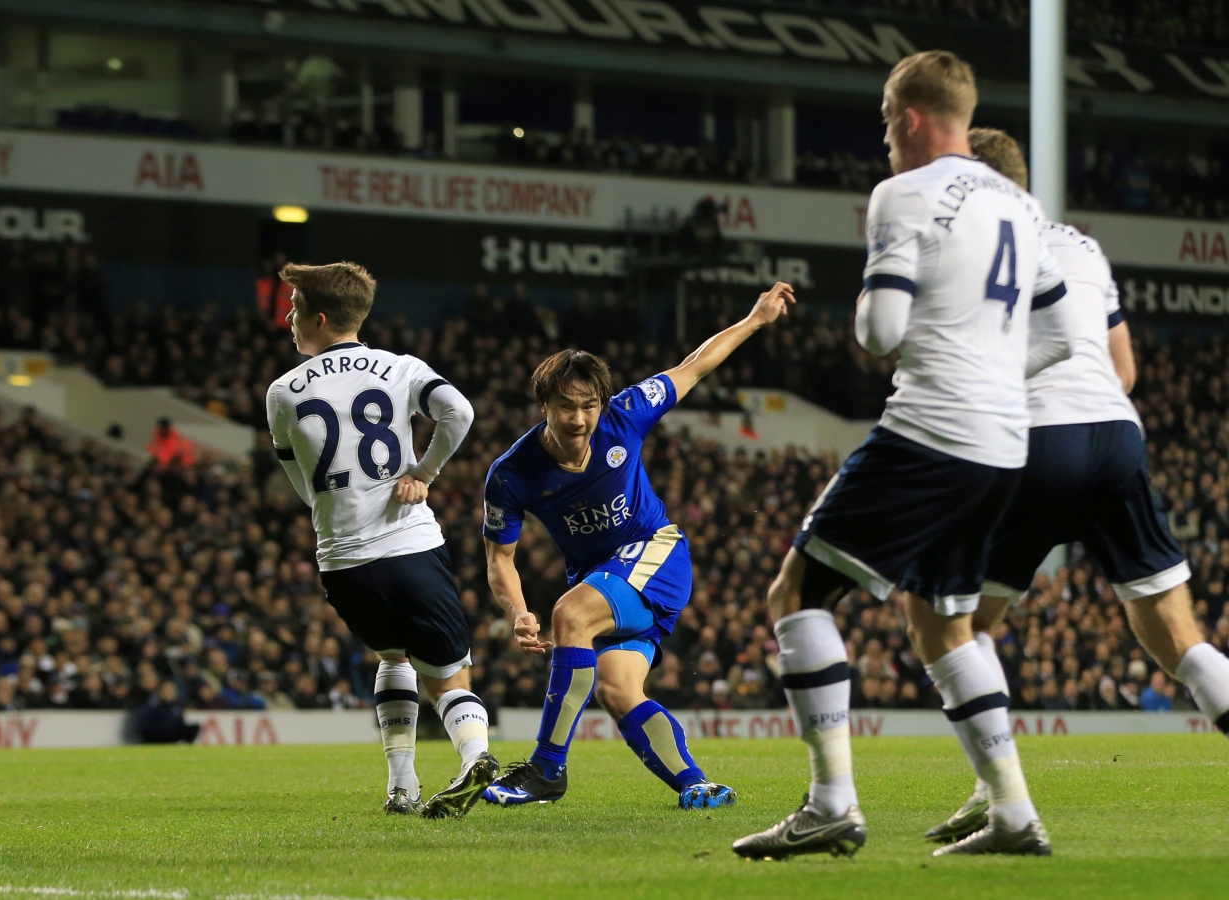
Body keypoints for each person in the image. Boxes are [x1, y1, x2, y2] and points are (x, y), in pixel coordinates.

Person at [732, 51, 1072, 861]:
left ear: (913, 117)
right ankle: (1014, 813)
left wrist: (882, 310)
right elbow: (1060, 335)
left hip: (930, 429)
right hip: (1003, 444)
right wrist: (991, 369)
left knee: (797, 594)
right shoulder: (1023, 207)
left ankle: (830, 805)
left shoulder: (903, 193)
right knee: (942, 621)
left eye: (887, 120)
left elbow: (879, 332)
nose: (885, 138)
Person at [921, 128, 1229, 844]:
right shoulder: (1083, 246)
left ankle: (1000, 797)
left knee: (957, 628)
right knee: (1175, 634)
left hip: (1033, 440)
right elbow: (1125, 370)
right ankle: (990, 795)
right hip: (1116, 436)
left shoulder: (966, 244)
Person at [480, 281, 795, 810]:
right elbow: (499, 559)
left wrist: (756, 319)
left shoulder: (626, 414)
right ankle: (695, 784)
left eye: (589, 406)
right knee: (617, 689)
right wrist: (516, 612)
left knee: (571, 615)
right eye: (565, 407)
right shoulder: (511, 474)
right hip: (604, 578)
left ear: (602, 404)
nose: (579, 419)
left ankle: (546, 770)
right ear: (543, 404)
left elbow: (694, 366)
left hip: (656, 553)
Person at [265, 261, 494, 819]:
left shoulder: (282, 392)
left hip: (342, 561)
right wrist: (424, 472)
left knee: (392, 655)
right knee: (449, 676)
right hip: (409, 544)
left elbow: (300, 482)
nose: (289, 319)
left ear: (320, 319)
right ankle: (475, 757)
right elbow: (459, 411)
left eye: (294, 309)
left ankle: (401, 786)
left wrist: (335, 512)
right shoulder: (400, 367)